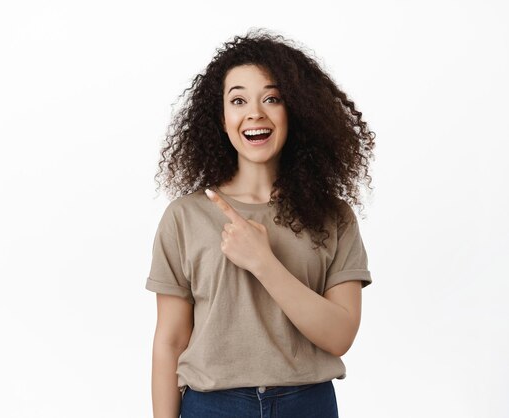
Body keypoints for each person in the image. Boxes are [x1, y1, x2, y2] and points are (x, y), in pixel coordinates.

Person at [145, 28, 376, 418]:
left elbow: (339, 336)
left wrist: (263, 262)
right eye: (238, 100)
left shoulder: (332, 216)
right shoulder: (184, 217)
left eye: (272, 98)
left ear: (295, 111)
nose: (255, 113)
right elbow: (169, 341)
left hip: (307, 404)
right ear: (221, 118)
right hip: (211, 405)